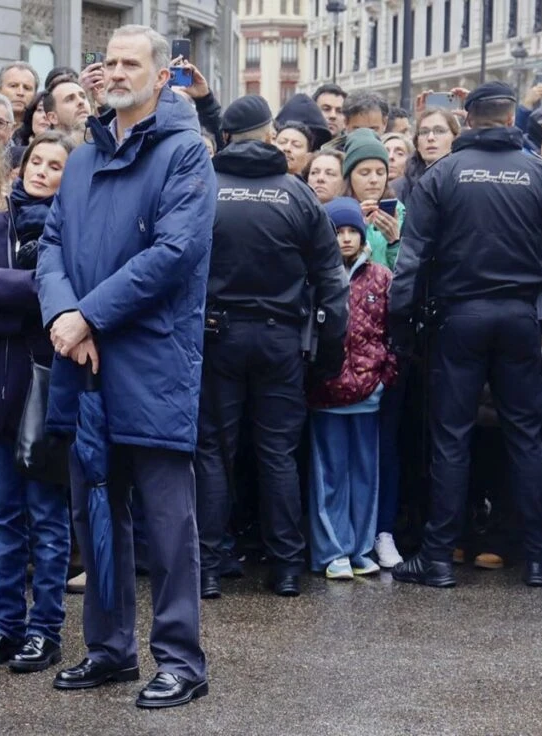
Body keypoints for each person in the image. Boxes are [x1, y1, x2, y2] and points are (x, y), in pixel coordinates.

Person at [37, 24, 215, 710]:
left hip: (152, 358)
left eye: (129, 62)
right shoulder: (82, 158)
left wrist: (90, 316)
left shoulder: (185, 154)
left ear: (163, 72)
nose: (114, 72)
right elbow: (51, 246)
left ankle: (181, 660)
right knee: (96, 514)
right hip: (82, 360)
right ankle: (110, 650)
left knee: (168, 523)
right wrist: (61, 317)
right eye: (108, 62)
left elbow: (174, 254)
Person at [388, 82, 542, 589]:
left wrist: (402, 327)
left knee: (451, 438)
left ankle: (436, 557)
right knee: (525, 438)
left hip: (459, 318)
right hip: (521, 318)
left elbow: (411, 260)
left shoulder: (444, 174)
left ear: (469, 119)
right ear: (511, 116)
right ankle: (538, 559)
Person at [195, 95, 348, 599]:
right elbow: (331, 282)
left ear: (225, 138)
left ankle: (211, 566)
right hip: (282, 338)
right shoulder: (297, 195)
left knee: (215, 451)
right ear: (267, 135)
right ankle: (285, 565)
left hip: (217, 336)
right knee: (278, 452)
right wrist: (328, 356)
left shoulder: (205, 189)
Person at [0, 131, 75, 672]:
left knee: (47, 518)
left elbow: (58, 300)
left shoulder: (71, 232)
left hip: (45, 395)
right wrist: (13, 293)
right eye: (35, 161)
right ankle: (5, 626)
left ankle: (45, 630)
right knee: (2, 517)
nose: (42, 171)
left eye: (55, 165)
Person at [308, 198, 396, 580]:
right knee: (328, 473)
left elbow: (392, 331)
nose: (345, 239)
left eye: (351, 232)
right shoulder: (313, 276)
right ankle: (331, 550)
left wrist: (383, 375)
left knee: (364, 474)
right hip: (326, 392)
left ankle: (360, 547)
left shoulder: (380, 277)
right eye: (338, 232)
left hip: (367, 391)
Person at [343, 129, 403, 271]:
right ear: (349, 176)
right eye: (365, 173)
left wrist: (395, 242)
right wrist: (357, 226)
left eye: (380, 173)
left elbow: (406, 272)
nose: (374, 180)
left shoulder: (399, 212)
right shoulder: (337, 212)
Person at [394, 108, 460, 202]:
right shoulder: (398, 188)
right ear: (417, 142)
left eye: (439, 131)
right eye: (424, 132)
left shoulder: (465, 180)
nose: (430, 138)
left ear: (454, 138)